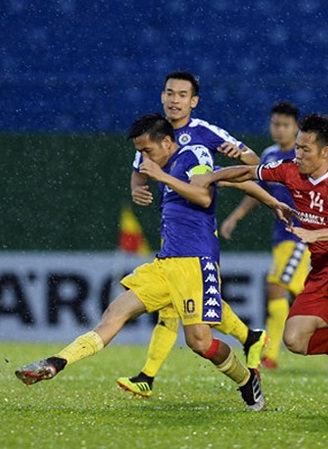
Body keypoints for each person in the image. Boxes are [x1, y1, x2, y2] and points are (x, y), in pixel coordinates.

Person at [15, 114, 291, 411]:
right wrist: (271, 202)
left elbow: (204, 196)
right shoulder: (168, 164)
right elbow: (231, 179)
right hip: (165, 263)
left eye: (147, 151)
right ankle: (57, 362)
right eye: (140, 152)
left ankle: (246, 381)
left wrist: (162, 177)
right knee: (115, 313)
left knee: (200, 343)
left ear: (168, 142)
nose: (144, 159)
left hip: (196, 261)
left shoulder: (193, 154)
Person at [191, 113, 328, 415]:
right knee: (294, 340)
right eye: (297, 146)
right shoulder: (289, 170)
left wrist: (315, 234)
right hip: (320, 271)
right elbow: (250, 172)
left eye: (305, 148)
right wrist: (213, 177)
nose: (298, 153)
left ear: (324, 152)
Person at [119, 71, 268, 398]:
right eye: (170, 93)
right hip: (170, 224)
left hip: (198, 224)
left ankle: (147, 375)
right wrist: (137, 190)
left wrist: (234, 155)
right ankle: (249, 338)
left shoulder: (204, 132)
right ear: (162, 96)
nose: (175, 100)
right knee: (184, 305)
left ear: (193, 101)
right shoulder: (151, 133)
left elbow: (254, 162)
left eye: (182, 95)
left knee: (181, 308)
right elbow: (138, 173)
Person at [220, 101, 311, 370]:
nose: (279, 130)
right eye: (275, 124)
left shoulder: (304, 157)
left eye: (285, 125)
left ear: (296, 127)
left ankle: (270, 354)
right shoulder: (269, 155)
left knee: (276, 290)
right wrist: (235, 217)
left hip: (302, 237)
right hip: (281, 237)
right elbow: (259, 193)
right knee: (303, 296)